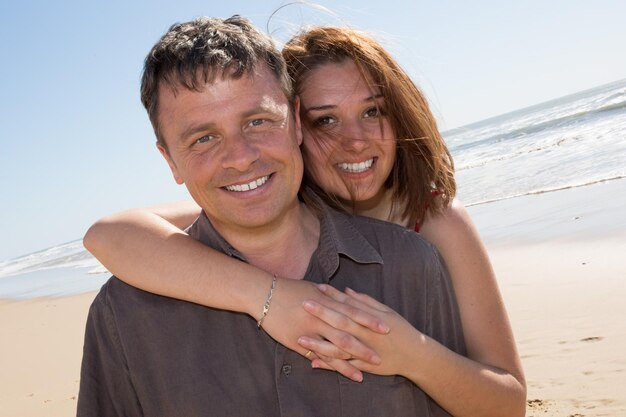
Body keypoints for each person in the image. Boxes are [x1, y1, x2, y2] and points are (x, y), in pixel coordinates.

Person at [82, 20, 526, 417]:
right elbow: (110, 234)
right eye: (327, 121)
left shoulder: (428, 238)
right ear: (301, 127)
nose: (355, 141)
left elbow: (505, 401)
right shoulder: (130, 307)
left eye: (372, 111)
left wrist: (412, 355)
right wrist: (269, 297)